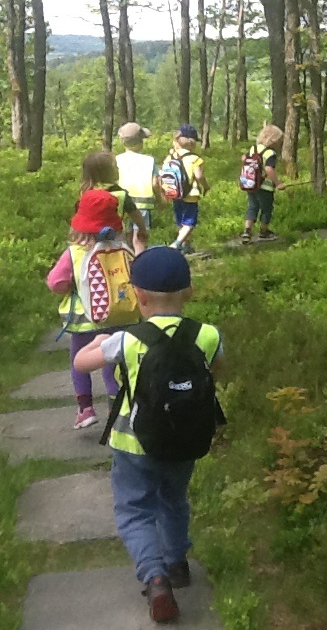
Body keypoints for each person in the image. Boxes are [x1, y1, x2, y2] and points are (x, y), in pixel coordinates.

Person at [73, 246, 223, 624]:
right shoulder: (206, 334)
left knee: (135, 510)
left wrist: (95, 344)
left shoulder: (128, 339)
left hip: (133, 443)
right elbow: (219, 370)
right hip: (186, 440)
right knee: (174, 500)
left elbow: (82, 363)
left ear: (137, 296)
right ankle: (177, 564)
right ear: (189, 292)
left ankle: (155, 577)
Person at [47, 190, 133, 429]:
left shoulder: (74, 253)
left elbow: (56, 283)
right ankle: (117, 409)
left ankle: (85, 409)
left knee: (78, 363)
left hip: (84, 323)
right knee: (112, 363)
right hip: (120, 317)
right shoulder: (122, 248)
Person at [81, 151, 149, 254]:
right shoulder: (120, 193)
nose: (118, 169)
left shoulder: (86, 192)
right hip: (115, 236)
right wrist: (142, 228)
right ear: (106, 173)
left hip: (90, 237)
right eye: (115, 168)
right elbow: (135, 214)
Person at [115, 122, 160, 250]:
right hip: (143, 203)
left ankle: (126, 262)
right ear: (141, 142)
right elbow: (155, 184)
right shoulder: (149, 160)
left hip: (122, 203)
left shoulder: (117, 159)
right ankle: (140, 264)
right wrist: (160, 200)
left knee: (124, 235)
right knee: (140, 237)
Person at [167, 124, 210, 253]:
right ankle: (177, 243)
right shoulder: (194, 159)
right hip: (191, 194)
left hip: (175, 193)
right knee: (190, 222)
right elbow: (199, 175)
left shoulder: (171, 156)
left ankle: (185, 245)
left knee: (181, 221)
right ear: (192, 144)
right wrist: (206, 186)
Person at [241, 124, 287, 243]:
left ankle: (247, 231)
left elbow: (243, 159)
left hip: (250, 184)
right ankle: (264, 231)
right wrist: (278, 183)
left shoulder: (253, 149)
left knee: (252, 207)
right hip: (265, 186)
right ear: (274, 140)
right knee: (266, 209)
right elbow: (268, 169)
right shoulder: (270, 153)